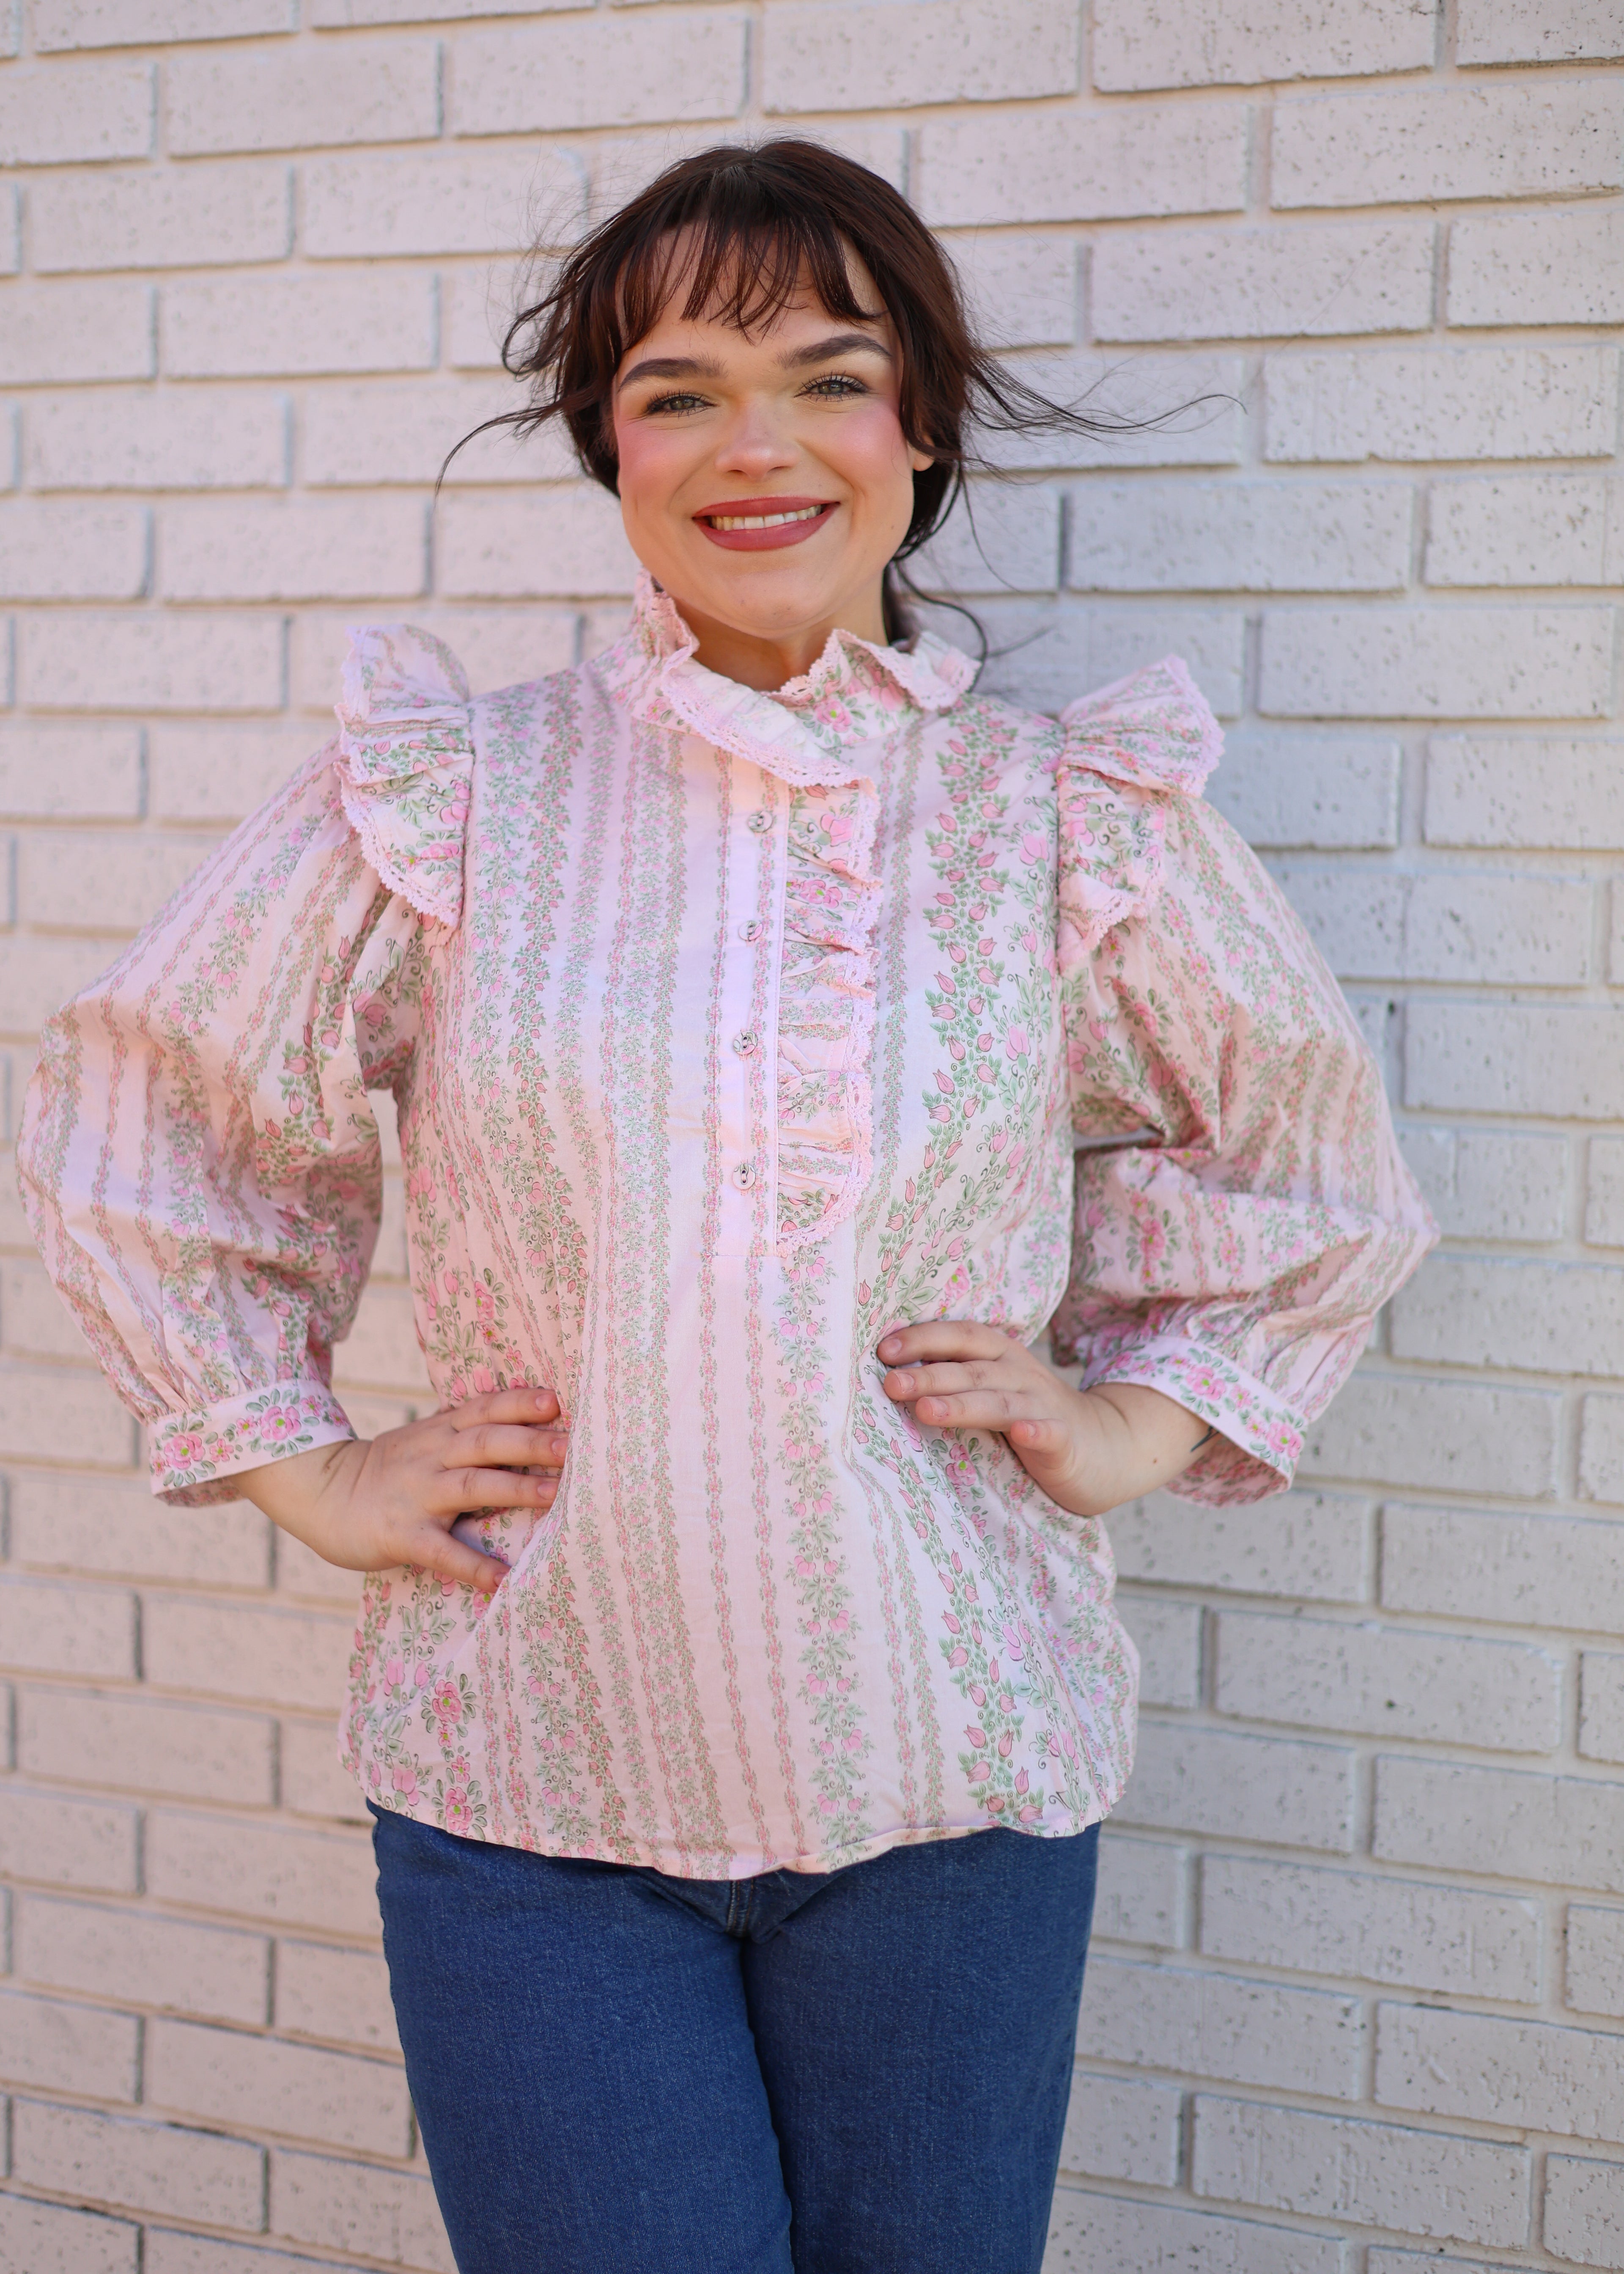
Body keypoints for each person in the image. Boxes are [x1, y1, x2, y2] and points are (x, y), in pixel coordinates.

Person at [17, 140, 1434, 2274]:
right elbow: (159, 1107)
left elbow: (1297, 1154)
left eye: (827, 377)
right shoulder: (454, 793)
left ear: (918, 425)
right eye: (678, 391)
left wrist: (1127, 1422)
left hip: (952, 1777)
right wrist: (305, 1466)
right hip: (532, 1786)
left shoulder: (1064, 815)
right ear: (615, 447)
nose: (754, 445)